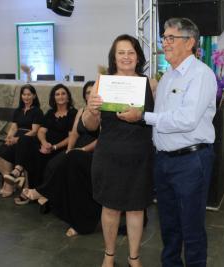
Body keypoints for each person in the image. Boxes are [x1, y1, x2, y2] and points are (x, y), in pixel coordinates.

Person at [118, 18, 217, 267]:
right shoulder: (167, 77)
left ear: (190, 42)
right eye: (164, 37)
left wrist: (141, 116)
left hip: (191, 161)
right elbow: (161, 119)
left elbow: (186, 120)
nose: (165, 43)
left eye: (172, 38)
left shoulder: (201, 75)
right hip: (164, 160)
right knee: (169, 226)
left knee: (192, 227)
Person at [83, 34, 154, 267]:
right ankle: (109, 255)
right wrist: (92, 111)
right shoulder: (101, 84)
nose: (126, 57)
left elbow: (157, 119)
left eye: (131, 52)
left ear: (138, 57)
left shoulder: (149, 84)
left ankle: (134, 257)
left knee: (136, 209)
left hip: (139, 156)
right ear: (114, 57)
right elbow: (90, 126)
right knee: (110, 208)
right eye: (121, 52)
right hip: (109, 155)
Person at [23, 81, 101, 237]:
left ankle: (43, 192)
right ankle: (54, 201)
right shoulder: (81, 111)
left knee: (67, 166)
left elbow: (103, 138)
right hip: (77, 150)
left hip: (93, 151)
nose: (90, 95)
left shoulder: (104, 111)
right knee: (56, 163)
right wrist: (70, 150)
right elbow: (74, 133)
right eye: (87, 93)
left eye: (93, 92)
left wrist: (81, 150)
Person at [23, 83, 77, 190]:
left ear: (68, 97)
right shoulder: (50, 112)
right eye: (57, 94)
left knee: (45, 158)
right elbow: (41, 131)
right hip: (47, 145)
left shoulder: (73, 113)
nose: (60, 96)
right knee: (31, 150)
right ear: (53, 98)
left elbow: (72, 136)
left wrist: (54, 147)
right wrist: (44, 143)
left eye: (63, 94)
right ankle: (31, 187)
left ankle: (42, 191)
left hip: (61, 147)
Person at [0, 84, 43, 198]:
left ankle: (9, 185)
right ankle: (11, 182)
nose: (26, 97)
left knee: (19, 152)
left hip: (28, 139)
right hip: (16, 136)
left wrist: (18, 139)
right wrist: (9, 137)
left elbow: (34, 131)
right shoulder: (18, 110)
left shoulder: (37, 111)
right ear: (21, 96)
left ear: (34, 96)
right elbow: (14, 127)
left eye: (29, 94)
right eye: (24, 94)